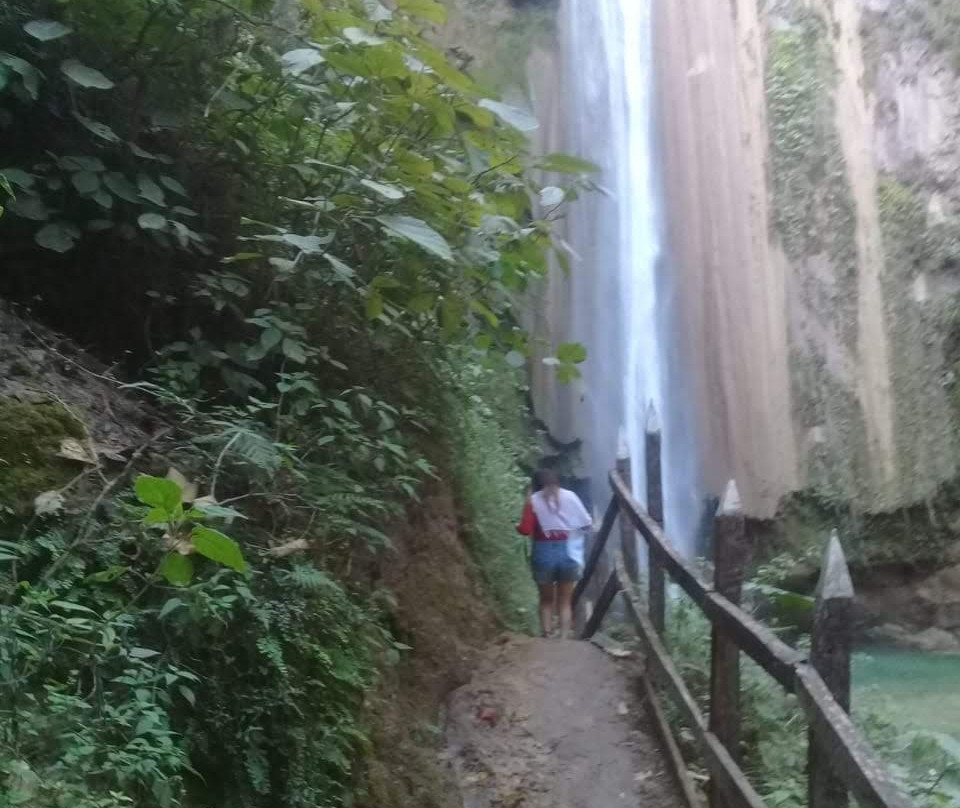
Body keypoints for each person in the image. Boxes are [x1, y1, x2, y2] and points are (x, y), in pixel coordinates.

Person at [517, 469, 592, 639]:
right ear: (558, 481)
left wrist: (517, 525)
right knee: (565, 600)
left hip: (543, 551)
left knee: (546, 599)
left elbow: (525, 530)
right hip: (568, 551)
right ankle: (564, 638)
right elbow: (586, 524)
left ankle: (547, 634)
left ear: (537, 484)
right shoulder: (571, 496)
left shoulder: (533, 501)